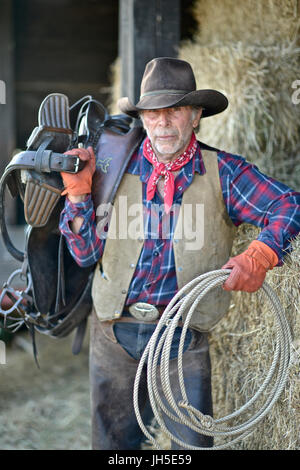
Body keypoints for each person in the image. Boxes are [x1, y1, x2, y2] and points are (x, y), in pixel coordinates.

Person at [58, 57, 300, 450]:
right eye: (154, 113)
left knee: (191, 448)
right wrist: (80, 195)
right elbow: (85, 256)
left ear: (196, 116)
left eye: (176, 110)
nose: (164, 123)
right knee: (112, 447)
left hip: (182, 339)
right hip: (113, 334)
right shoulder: (113, 168)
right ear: (143, 118)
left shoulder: (224, 172)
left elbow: (289, 204)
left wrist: (261, 254)